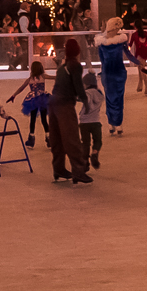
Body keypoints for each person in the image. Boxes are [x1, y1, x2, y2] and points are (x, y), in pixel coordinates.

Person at [45, 38, 92, 184]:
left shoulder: (62, 67)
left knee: (57, 138)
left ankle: (58, 169)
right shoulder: (75, 66)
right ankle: (78, 170)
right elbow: (78, 86)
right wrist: (85, 101)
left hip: (52, 103)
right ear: (78, 51)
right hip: (64, 105)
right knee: (71, 138)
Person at [96, 15, 131, 136]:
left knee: (119, 99)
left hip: (119, 73)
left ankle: (118, 123)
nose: (118, 31)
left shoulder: (120, 41)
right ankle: (111, 122)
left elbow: (129, 54)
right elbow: (102, 60)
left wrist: (138, 63)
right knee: (110, 99)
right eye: (117, 28)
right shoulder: (102, 44)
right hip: (108, 74)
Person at [6, 59, 50, 146]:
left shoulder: (30, 79)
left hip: (32, 100)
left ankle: (31, 139)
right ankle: (49, 138)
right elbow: (55, 77)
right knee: (44, 119)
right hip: (42, 99)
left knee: (32, 119)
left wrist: (13, 95)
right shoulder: (43, 76)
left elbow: (21, 88)